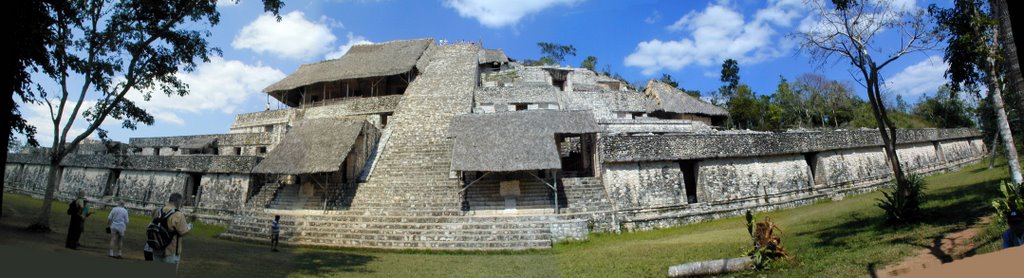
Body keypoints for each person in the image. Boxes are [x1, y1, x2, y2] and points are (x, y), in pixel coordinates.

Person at [153, 193, 191, 265]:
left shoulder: (157, 211)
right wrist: (188, 228)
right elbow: (183, 232)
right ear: (178, 201)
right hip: (171, 251)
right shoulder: (178, 215)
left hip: (157, 248)